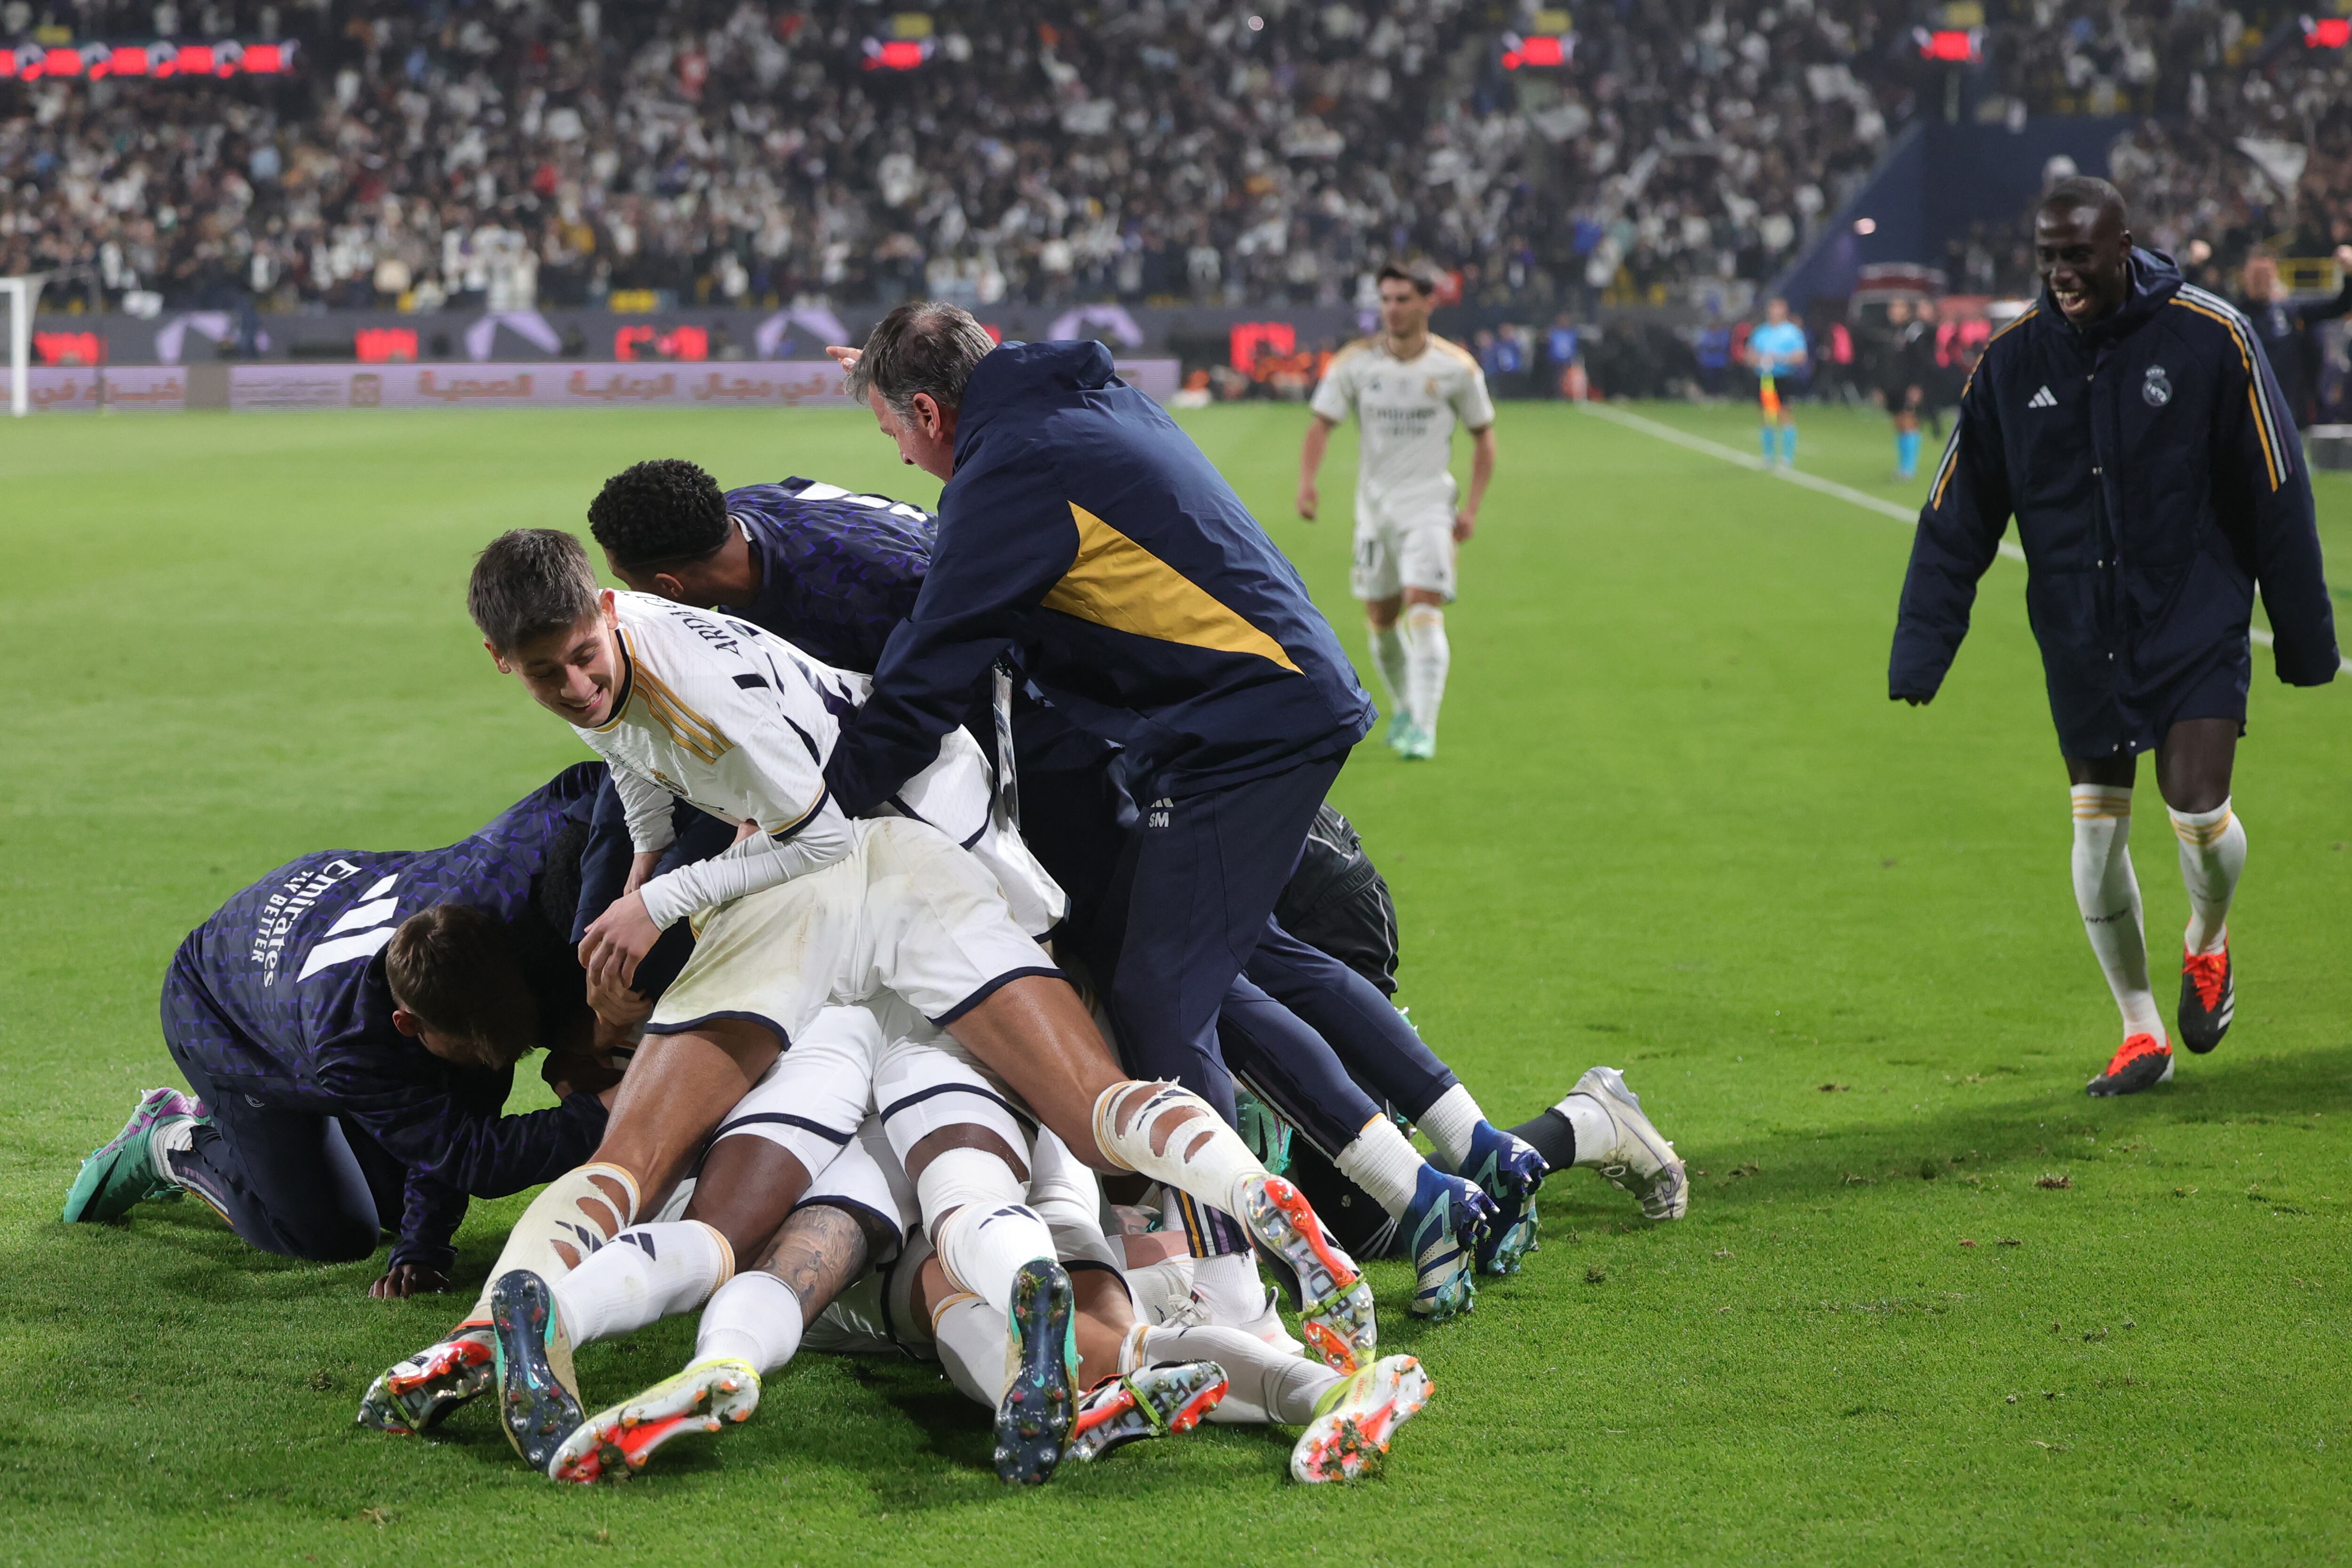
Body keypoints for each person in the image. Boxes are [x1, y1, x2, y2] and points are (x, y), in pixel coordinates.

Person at [369, 530, 1371, 1473]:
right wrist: (637, 876)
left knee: (654, 1175)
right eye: (552, 673)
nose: (578, 685)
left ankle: (530, 1324)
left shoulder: (697, 677)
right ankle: (1246, 1226)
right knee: (1073, 1143)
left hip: (860, 861)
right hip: (902, 879)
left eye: (585, 657)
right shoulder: (628, 650)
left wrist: (660, 901)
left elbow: (813, 831)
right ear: (506, 659)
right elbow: (637, 761)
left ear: (604, 606)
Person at [576, 460, 1534, 1324]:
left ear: (663, 583)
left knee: (1174, 984)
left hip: (1062, 756)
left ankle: (1337, 1232)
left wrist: (957, 837)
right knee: (1231, 964)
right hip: (1083, 736)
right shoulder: (756, 528)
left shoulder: (844, 590)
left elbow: (960, 682)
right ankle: (1455, 1157)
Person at [821, 302, 1384, 1334]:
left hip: (1245, 730)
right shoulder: (1072, 402)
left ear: (930, 411)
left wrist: (819, 808)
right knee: (1196, 978)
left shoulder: (1013, 466)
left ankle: (1240, 1296)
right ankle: (1405, 1186)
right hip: (1247, 713)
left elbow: (928, 671)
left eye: (896, 431)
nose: (901, 460)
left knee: (1163, 1003)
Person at [1890, 176, 2339, 1097]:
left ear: (2122, 246)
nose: (2059, 273)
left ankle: (2206, 939)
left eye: (2076, 255)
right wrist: (1921, 646)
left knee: (2196, 813)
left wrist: (2303, 637)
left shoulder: (2210, 336)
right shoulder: (2011, 363)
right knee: (2096, 839)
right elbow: (1955, 511)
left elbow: (2277, 484)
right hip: (2080, 627)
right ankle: (2140, 1031)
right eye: (2045, 255)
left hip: (2194, 611)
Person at [548, 1113, 1431, 1487]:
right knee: (1090, 1294)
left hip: (919, 1258)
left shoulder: (724, 1190)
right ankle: (1318, 1384)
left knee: (984, 1300)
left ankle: (1060, 1398)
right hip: (1046, 1172)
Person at [62, 765, 622, 1297]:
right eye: (476, 1054)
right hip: (221, 1012)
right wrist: (612, 1107)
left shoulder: (503, 879)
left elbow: (602, 779)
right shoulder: (351, 1043)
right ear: (409, 1026)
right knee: (333, 1235)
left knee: (394, 1204)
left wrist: (610, 903)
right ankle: (174, 1141)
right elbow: (470, 1155)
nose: (495, 1065)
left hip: (309, 924)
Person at [1297, 262, 1499, 761]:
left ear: (1428, 303)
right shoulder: (1355, 363)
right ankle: (1406, 710)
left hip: (1429, 506)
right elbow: (1321, 424)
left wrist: (1471, 507)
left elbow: (1484, 439)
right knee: (1381, 619)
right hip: (1373, 510)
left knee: (1423, 608)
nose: (1392, 309)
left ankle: (1425, 729)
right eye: (1385, 300)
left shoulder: (1456, 368)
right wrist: (1307, 483)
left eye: (1402, 299)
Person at [2232, 246, 2352, 430]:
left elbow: (2338, 307)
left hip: (2288, 412)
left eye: (2265, 274)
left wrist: (2349, 273)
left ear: (2274, 276)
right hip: (2245, 411)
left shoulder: (2289, 311)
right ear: (2245, 276)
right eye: (2256, 275)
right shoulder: (2233, 316)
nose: (2261, 281)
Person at [1869, 297, 1935, 480]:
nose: (1894, 311)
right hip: (1891, 385)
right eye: (1892, 307)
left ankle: (1909, 468)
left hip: (1908, 385)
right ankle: (1902, 466)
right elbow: (1880, 362)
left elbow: (1920, 361)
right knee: (1898, 422)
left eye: (1899, 307)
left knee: (1909, 422)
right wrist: (1879, 387)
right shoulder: (1887, 332)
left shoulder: (1913, 331)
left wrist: (1917, 386)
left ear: (1907, 310)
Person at [1747, 297, 1808, 470]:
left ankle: (1787, 458)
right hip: (1765, 378)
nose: (1774, 312)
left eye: (1778, 309)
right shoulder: (1761, 332)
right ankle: (1768, 456)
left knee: (1784, 414)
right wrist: (1759, 360)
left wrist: (1780, 358)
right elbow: (1749, 354)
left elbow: (1801, 356)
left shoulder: (1792, 332)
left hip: (1783, 377)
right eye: (1772, 308)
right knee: (1766, 416)